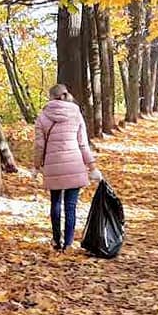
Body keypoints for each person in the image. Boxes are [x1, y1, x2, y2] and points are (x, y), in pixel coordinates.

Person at [34, 84, 102, 251]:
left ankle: (56, 240)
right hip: (74, 164)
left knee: (55, 203)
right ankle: (69, 243)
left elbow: (39, 146)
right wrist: (92, 167)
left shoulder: (42, 117)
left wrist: (36, 167)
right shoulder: (76, 114)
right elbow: (83, 144)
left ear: (51, 97)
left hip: (53, 166)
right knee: (70, 205)